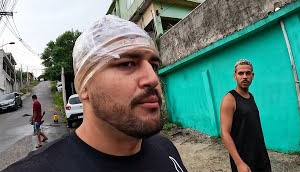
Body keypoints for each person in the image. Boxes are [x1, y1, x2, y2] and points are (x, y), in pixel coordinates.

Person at [4, 15, 186, 172]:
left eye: (153, 66)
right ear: (84, 87)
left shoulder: (166, 148)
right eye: (127, 63)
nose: (153, 79)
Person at [220, 59, 271, 172]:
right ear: (235, 76)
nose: (244, 76)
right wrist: (239, 163)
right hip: (243, 157)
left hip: (260, 154)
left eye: (248, 73)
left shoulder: (251, 96)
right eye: (240, 73)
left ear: (252, 76)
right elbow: (225, 133)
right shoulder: (229, 99)